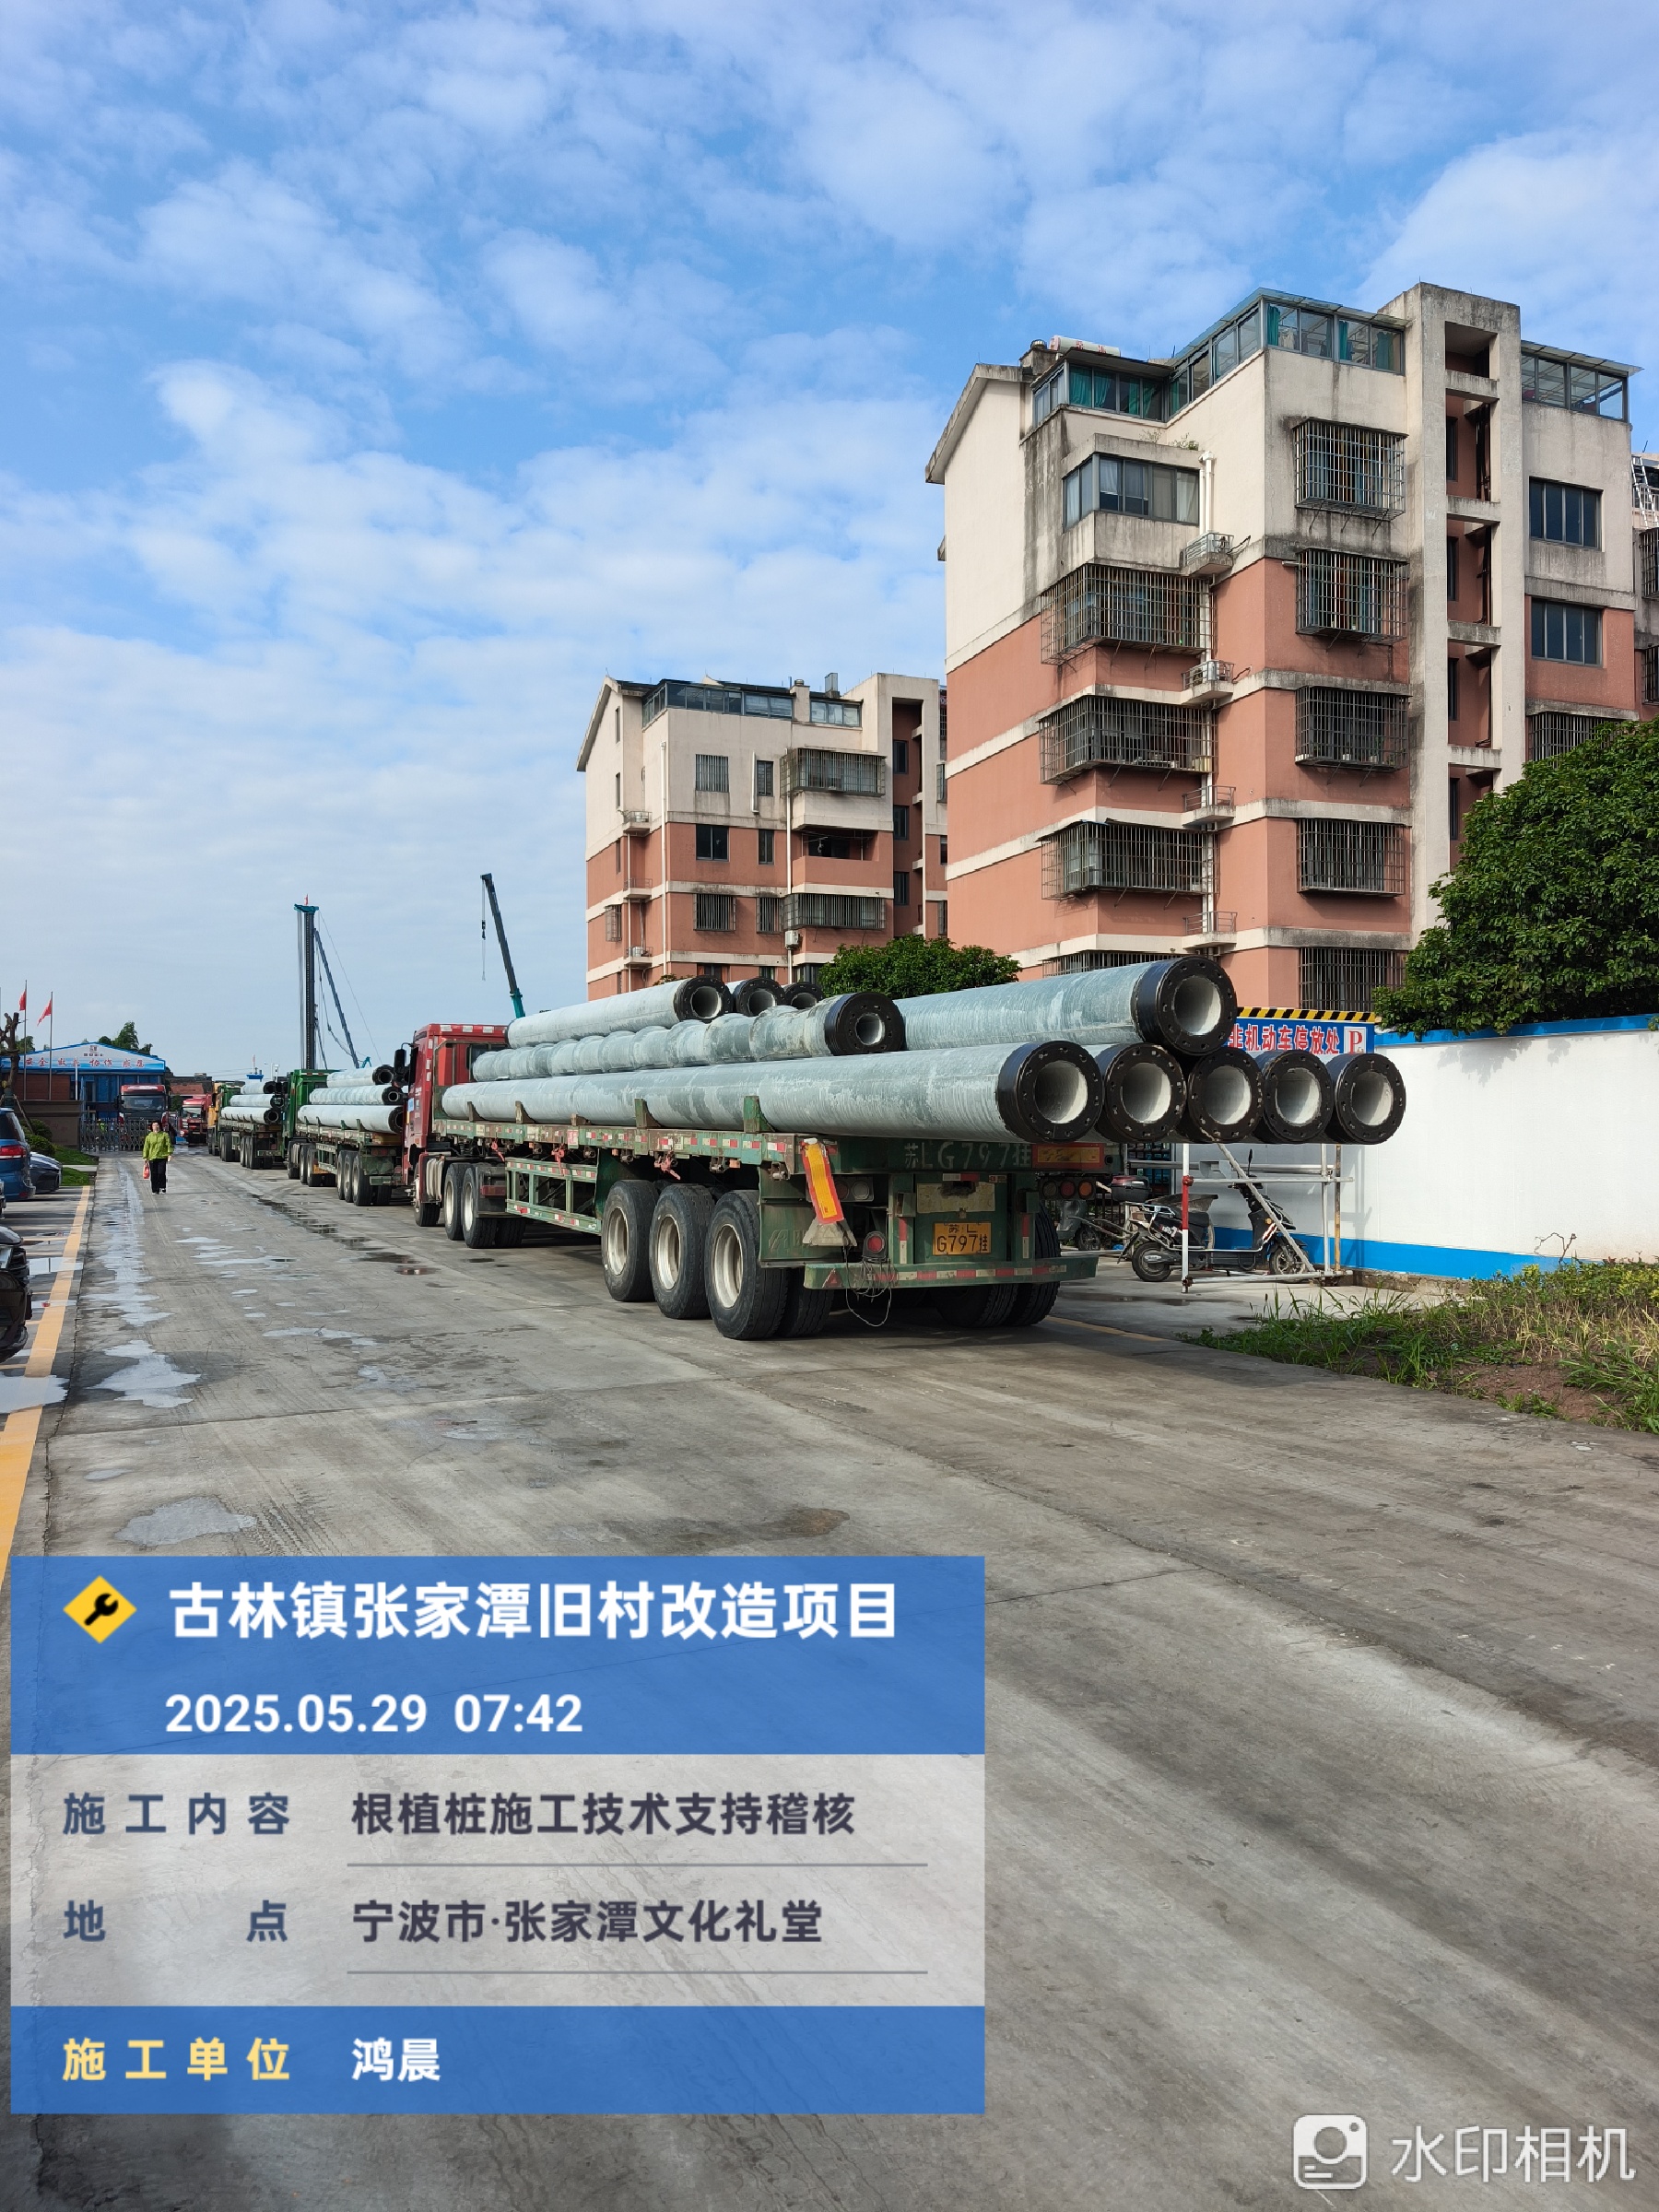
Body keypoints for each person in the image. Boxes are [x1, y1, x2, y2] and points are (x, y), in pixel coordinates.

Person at [141, 1118, 172, 1198]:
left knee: (161, 1172)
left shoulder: (164, 1135)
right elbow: (146, 1147)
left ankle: (162, 1185)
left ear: (160, 1126)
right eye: (154, 1125)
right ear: (152, 1127)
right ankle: (155, 1189)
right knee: (154, 1174)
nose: (155, 1126)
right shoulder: (149, 1136)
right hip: (152, 1157)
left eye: (157, 1125)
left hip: (162, 1157)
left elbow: (168, 1144)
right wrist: (145, 1157)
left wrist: (169, 1154)